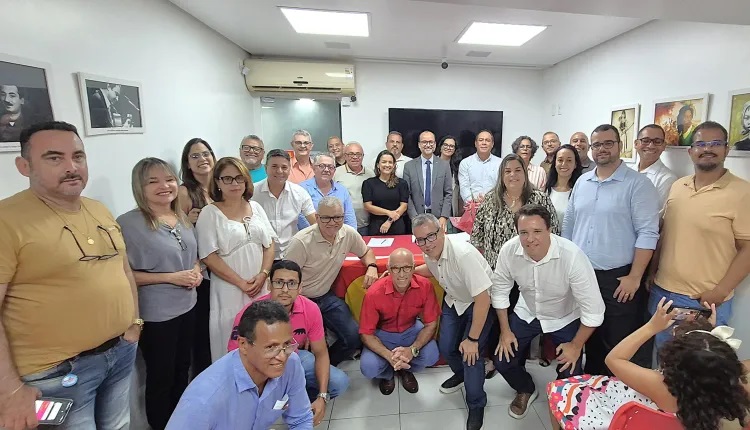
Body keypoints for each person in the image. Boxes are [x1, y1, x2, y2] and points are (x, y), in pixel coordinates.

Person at [0, 121, 140, 430]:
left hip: (118, 354)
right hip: (53, 375)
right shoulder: (7, 220)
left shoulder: (98, 209)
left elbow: (123, 269)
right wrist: (8, 391)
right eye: (54, 158)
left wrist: (134, 323)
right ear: (24, 166)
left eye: (78, 156)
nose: (71, 167)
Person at [547, 298, 750, 430]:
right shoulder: (725, 385)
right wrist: (707, 332)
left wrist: (651, 327)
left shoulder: (659, 384)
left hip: (618, 413)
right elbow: (711, 364)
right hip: (657, 422)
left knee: (560, 389)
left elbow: (613, 359)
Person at [562, 124, 660, 375]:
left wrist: (635, 277)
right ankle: (591, 388)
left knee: (616, 343)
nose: (602, 149)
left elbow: (648, 233)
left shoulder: (638, 184)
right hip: (582, 274)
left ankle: (613, 392)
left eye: (608, 143)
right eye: (597, 145)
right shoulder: (582, 182)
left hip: (618, 279)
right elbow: (569, 225)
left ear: (620, 146)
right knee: (588, 335)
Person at [492, 204, 605, 420]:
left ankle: (564, 402)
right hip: (528, 311)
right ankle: (525, 388)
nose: (530, 239)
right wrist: (505, 331)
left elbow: (594, 311)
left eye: (537, 231)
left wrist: (576, 345)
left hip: (564, 316)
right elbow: (499, 291)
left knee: (571, 370)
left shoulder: (572, 255)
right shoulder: (509, 250)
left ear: (550, 230)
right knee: (503, 360)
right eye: (523, 232)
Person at [648, 121, 750, 349]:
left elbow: (748, 248)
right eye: (701, 144)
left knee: (699, 365)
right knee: (664, 360)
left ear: (726, 149)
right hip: (663, 293)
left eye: (715, 143)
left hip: (702, 300)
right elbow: (666, 232)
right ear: (690, 151)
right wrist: (652, 272)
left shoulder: (743, 192)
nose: (707, 149)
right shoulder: (678, 186)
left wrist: (720, 291)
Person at [118, 157, 201, 430]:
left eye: (168, 179)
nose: (164, 186)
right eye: (153, 181)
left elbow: (193, 255)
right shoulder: (128, 224)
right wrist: (170, 277)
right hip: (157, 315)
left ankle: (181, 422)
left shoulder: (180, 216)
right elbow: (124, 274)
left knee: (182, 369)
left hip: (188, 306)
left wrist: (196, 270)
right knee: (160, 377)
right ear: (139, 187)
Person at [227, 260, 349, 426]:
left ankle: (297, 406)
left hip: (294, 357)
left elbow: (321, 353)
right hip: (260, 365)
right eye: (279, 282)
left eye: (291, 283)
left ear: (300, 288)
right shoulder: (250, 314)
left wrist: (322, 396)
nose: (285, 289)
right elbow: (236, 359)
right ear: (269, 285)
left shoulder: (311, 309)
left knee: (339, 382)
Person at [166, 301, 314, 430]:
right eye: (271, 347)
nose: (282, 356)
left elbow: (301, 420)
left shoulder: (291, 364)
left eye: (287, 344)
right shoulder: (205, 397)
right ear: (243, 344)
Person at [411, 213, 496, 430]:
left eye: (430, 236)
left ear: (442, 231)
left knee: (471, 355)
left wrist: (472, 339)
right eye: (420, 240)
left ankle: (476, 403)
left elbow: (483, 298)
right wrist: (407, 271)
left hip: (479, 303)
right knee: (447, 347)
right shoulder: (431, 252)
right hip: (455, 300)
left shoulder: (462, 254)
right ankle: (462, 375)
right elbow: (433, 269)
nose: (426, 244)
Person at [195, 157, 277, 362]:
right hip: (229, 288)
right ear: (217, 182)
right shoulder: (209, 213)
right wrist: (241, 283)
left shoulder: (256, 207)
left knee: (263, 335)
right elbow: (208, 256)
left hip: (260, 285)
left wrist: (263, 274)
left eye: (239, 178)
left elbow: (269, 244)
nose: (234, 183)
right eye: (228, 178)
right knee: (232, 338)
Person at [285, 196, 379, 366]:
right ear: (317, 217)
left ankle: (326, 366)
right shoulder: (301, 242)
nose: (332, 222)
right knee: (303, 343)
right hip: (300, 300)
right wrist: (298, 311)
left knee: (353, 336)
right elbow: (286, 281)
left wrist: (372, 266)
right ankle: (312, 369)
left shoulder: (348, 233)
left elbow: (366, 252)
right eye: (326, 218)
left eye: (337, 217)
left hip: (326, 296)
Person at [359, 248, 440, 395]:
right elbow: (366, 334)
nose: (402, 274)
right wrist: (388, 356)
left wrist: (412, 350)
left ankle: (405, 369)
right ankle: (387, 374)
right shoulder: (374, 293)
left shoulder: (425, 286)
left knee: (432, 355)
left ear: (413, 268)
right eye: (396, 268)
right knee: (368, 368)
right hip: (382, 334)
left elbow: (431, 324)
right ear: (389, 269)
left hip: (411, 329)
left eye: (407, 268)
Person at [472, 153, 559, 272]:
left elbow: (554, 233)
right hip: (496, 271)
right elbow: (477, 237)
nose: (513, 174)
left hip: (533, 270)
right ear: (501, 176)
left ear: (525, 173)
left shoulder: (540, 199)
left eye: (517, 170)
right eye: (507, 171)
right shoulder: (490, 200)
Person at [178, 137, 216, 375]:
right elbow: (175, 232)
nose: (202, 159)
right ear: (187, 164)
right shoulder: (185, 192)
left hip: (225, 266)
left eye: (205, 153)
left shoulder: (221, 187)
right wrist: (187, 221)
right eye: (195, 156)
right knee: (204, 335)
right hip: (202, 272)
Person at [252, 149, 317, 259]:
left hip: (291, 253)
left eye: (284, 167)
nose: (279, 171)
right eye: (274, 166)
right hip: (261, 254)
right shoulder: (252, 192)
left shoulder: (299, 193)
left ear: (289, 169)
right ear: (266, 168)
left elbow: (315, 223)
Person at [403, 130, 453, 232]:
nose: (428, 145)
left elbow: (448, 193)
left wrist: (444, 216)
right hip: (417, 217)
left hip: (438, 218)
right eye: (424, 142)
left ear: (435, 144)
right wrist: (414, 217)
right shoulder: (409, 166)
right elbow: (406, 194)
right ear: (419, 145)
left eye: (431, 142)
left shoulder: (444, 165)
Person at [299, 153, 357, 229]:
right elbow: (300, 218)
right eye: (322, 166)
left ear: (334, 170)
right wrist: (321, 233)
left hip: (338, 234)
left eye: (330, 167)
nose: (326, 170)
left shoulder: (342, 190)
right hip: (309, 234)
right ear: (313, 168)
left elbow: (349, 218)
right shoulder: (301, 189)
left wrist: (351, 235)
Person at [362, 150, 409, 235]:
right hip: (376, 227)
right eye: (384, 162)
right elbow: (368, 206)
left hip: (397, 226)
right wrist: (389, 212)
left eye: (390, 162)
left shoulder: (402, 183)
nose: (387, 165)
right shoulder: (368, 183)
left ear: (394, 165)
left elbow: (404, 206)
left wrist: (389, 221)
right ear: (378, 165)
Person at [631, 124, 678, 209]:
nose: (651, 146)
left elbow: (657, 213)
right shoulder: (628, 171)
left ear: (664, 146)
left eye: (657, 142)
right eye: (645, 141)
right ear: (636, 144)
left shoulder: (667, 179)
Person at [333, 142, 375, 235]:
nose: (355, 157)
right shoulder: (336, 173)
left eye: (358, 154)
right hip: (343, 225)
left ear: (363, 156)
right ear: (345, 156)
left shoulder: (371, 174)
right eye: (351, 154)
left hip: (365, 225)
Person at [458, 130, 502, 205]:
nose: (484, 143)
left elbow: (502, 186)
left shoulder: (501, 163)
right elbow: (464, 187)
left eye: (487, 140)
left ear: (492, 144)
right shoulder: (465, 163)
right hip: (472, 207)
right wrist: (472, 202)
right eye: (481, 140)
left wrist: (492, 202)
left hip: (495, 205)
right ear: (475, 143)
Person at [544, 144, 583, 222]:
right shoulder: (545, 190)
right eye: (560, 160)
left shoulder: (580, 192)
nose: (564, 164)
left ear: (575, 164)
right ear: (555, 163)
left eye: (569, 160)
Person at [438, 135, 461, 217]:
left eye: (451, 146)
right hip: (435, 206)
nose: (448, 148)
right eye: (446, 145)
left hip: (451, 207)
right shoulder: (432, 164)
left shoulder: (457, 167)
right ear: (440, 147)